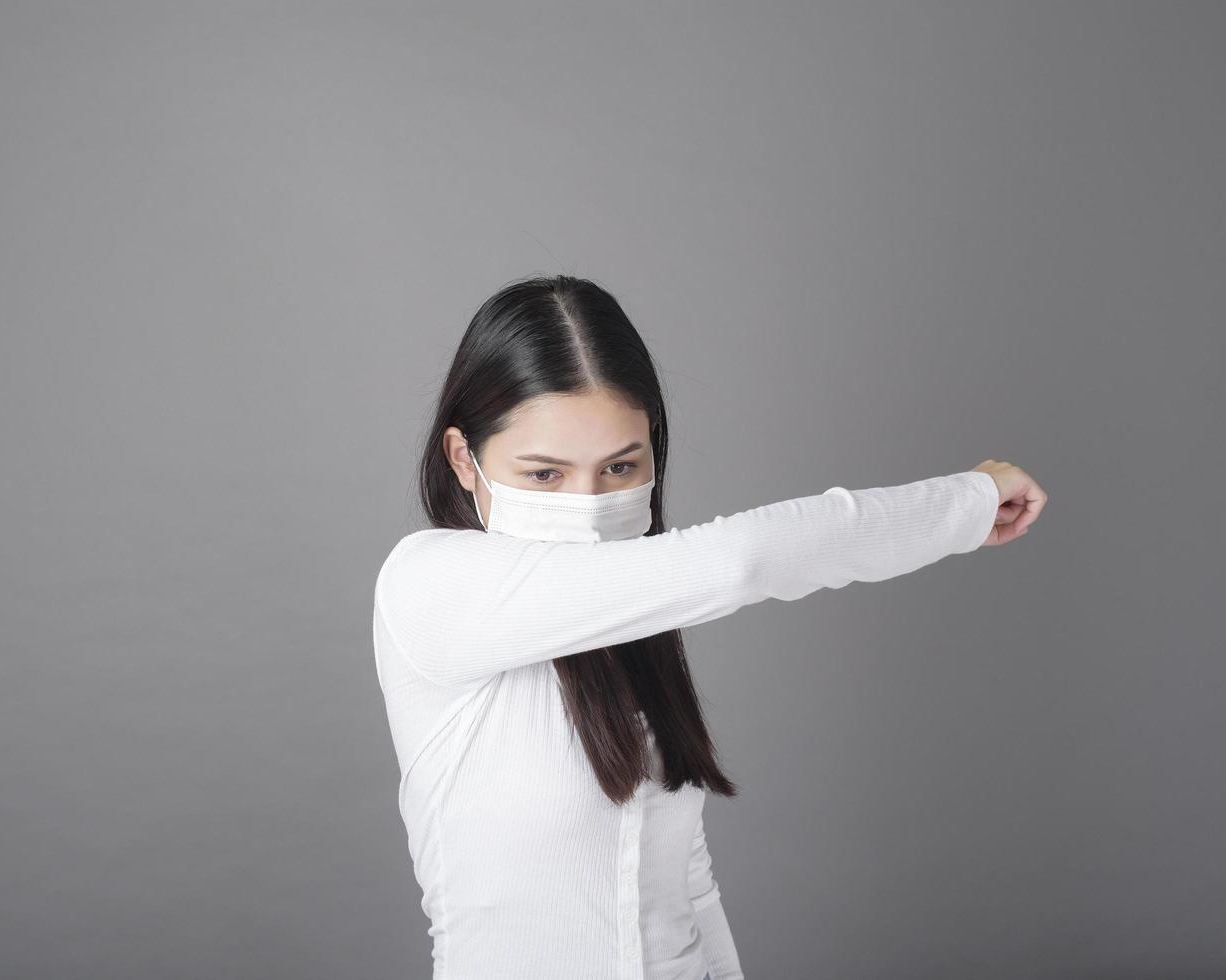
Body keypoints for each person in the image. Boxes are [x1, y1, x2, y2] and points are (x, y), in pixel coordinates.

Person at [371, 275, 1045, 980]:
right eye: (544, 475)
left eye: (621, 467)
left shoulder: (637, 620)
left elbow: (685, 886)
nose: (590, 506)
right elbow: (740, 561)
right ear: (463, 460)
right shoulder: (430, 584)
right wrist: (964, 503)